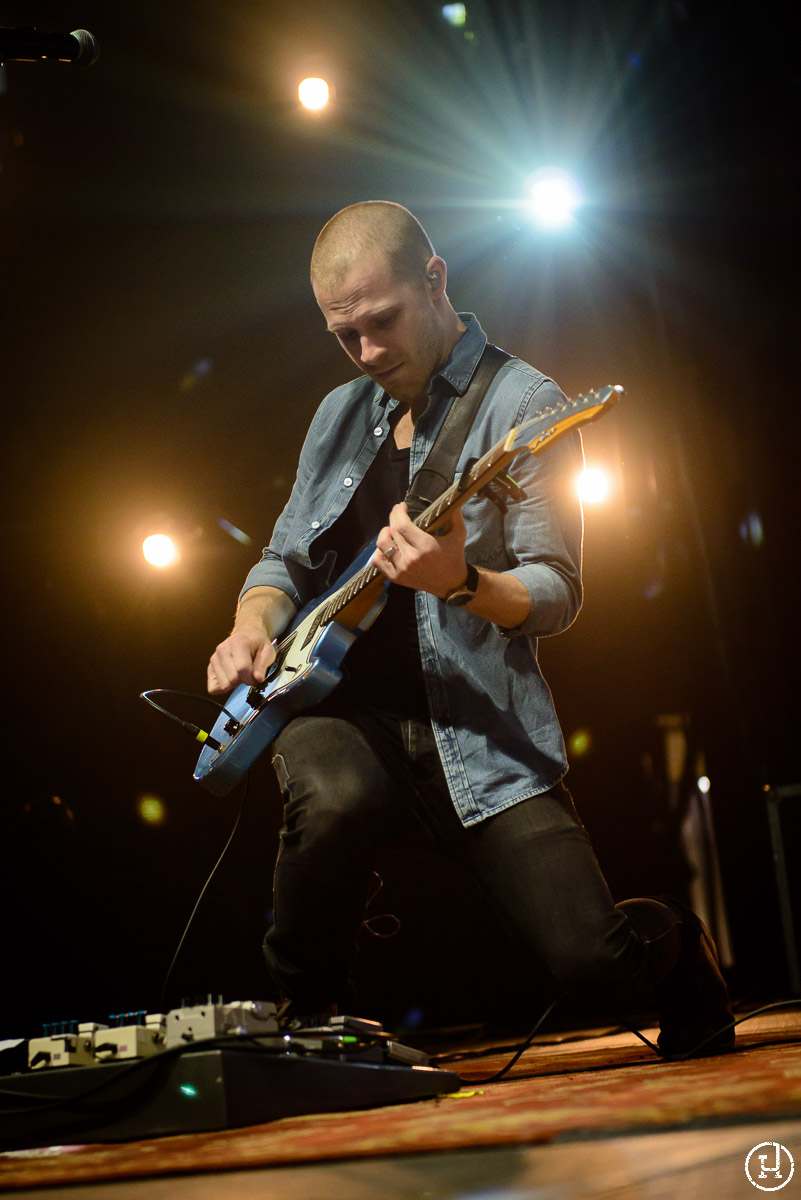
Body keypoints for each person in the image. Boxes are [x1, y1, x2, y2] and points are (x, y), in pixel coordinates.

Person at [207, 200, 733, 1056]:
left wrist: (460, 582)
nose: (369, 352)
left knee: (590, 968)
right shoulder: (338, 415)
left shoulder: (526, 405)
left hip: (475, 737)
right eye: (347, 336)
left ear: (435, 279)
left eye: (383, 323)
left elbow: (557, 591)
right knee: (334, 795)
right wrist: (248, 625)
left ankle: (678, 945)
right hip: (343, 717)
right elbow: (281, 562)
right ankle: (308, 1026)